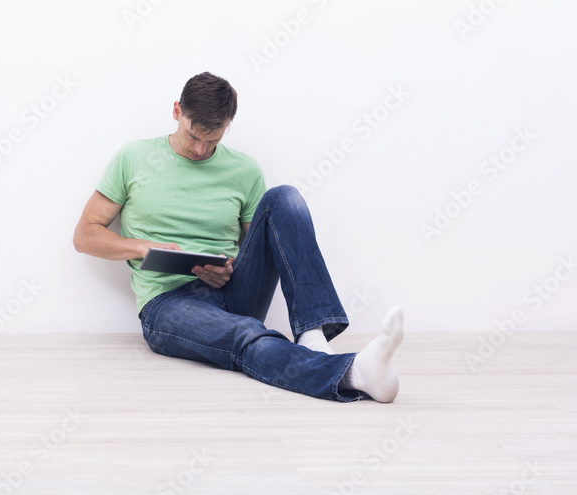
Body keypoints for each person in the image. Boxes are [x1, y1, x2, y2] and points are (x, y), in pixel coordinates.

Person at [72, 72, 404, 402]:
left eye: (213, 140)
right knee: (247, 333)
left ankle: (313, 335)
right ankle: (353, 373)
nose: (201, 149)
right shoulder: (133, 158)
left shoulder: (245, 171)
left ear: (228, 125)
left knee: (284, 198)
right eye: (193, 136)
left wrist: (227, 268)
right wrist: (144, 247)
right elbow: (85, 236)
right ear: (177, 111)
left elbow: (261, 248)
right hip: (168, 305)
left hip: (232, 291)